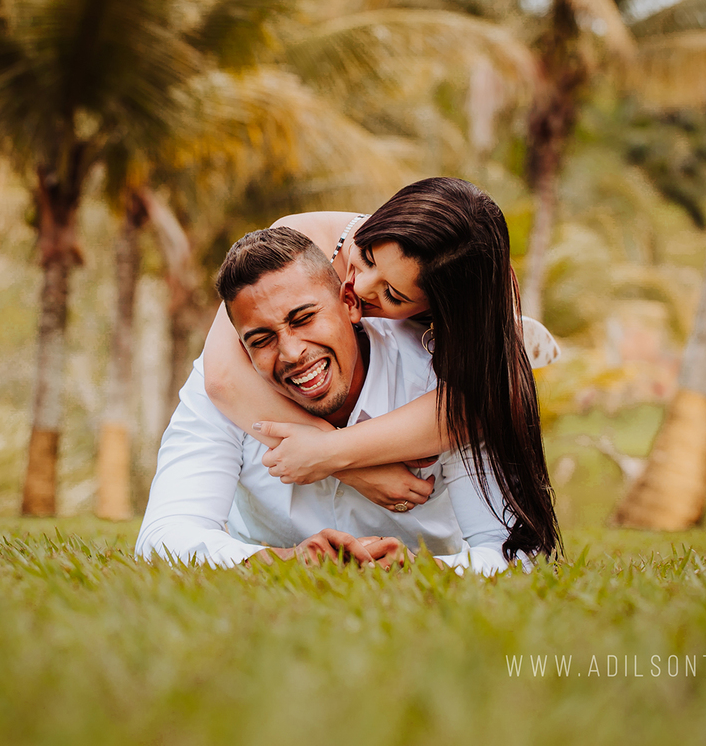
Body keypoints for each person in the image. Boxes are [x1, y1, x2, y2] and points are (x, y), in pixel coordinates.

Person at [202, 177, 561, 560]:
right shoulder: (302, 237)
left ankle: (517, 339)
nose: (359, 285)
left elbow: (465, 412)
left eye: (392, 294)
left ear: (431, 310)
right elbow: (222, 377)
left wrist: (331, 452)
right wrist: (349, 467)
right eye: (368, 256)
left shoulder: (452, 316)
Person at [135, 226, 513, 572]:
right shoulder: (221, 386)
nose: (292, 353)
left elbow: (519, 552)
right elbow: (161, 537)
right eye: (261, 339)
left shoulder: (440, 378)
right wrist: (283, 561)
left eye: (303, 318)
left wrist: (420, 568)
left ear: (349, 303)